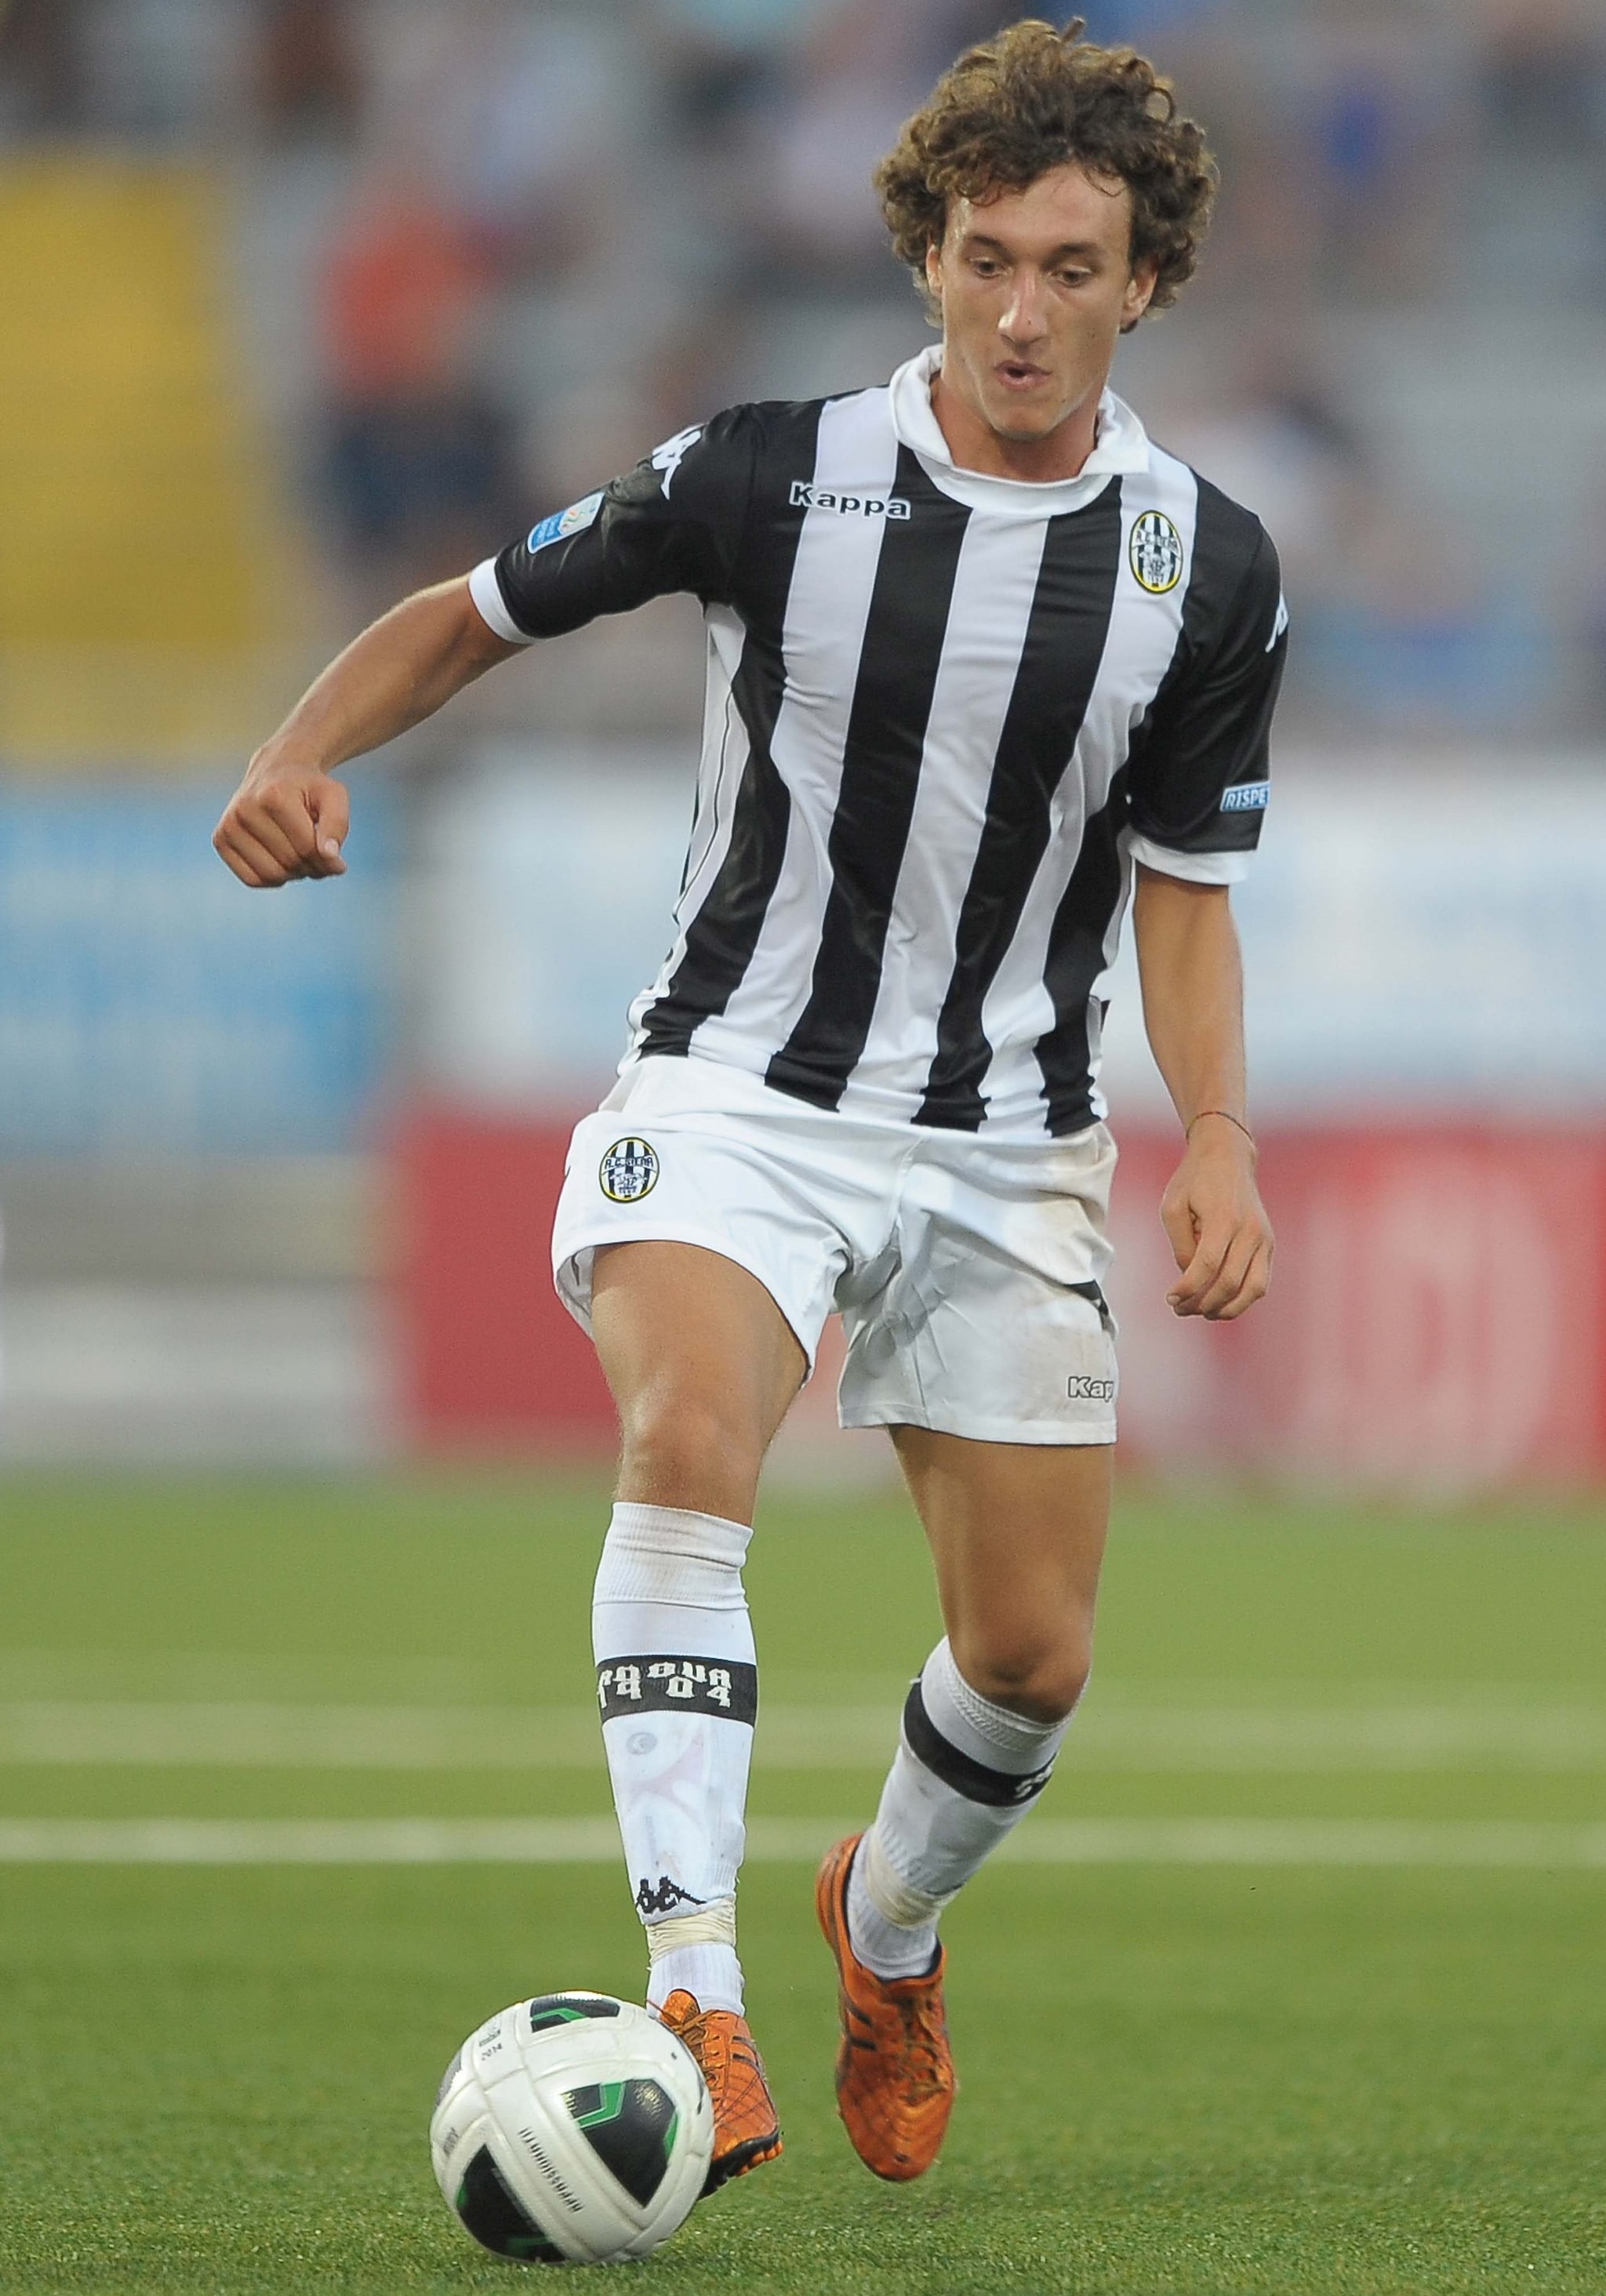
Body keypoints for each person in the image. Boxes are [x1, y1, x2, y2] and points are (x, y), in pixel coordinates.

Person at [215, 16, 1284, 2197]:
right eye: (988, 256)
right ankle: (693, 1988)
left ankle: (880, 1928)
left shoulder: (1209, 568)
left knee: (1030, 1658)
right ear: (924, 254)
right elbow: (480, 610)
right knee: (688, 1430)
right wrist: (296, 745)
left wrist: (1230, 1138)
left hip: (1009, 1138)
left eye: (1073, 267)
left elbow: (1185, 896)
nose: (1021, 309)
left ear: (1143, 279)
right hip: (736, 1093)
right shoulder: (767, 474)